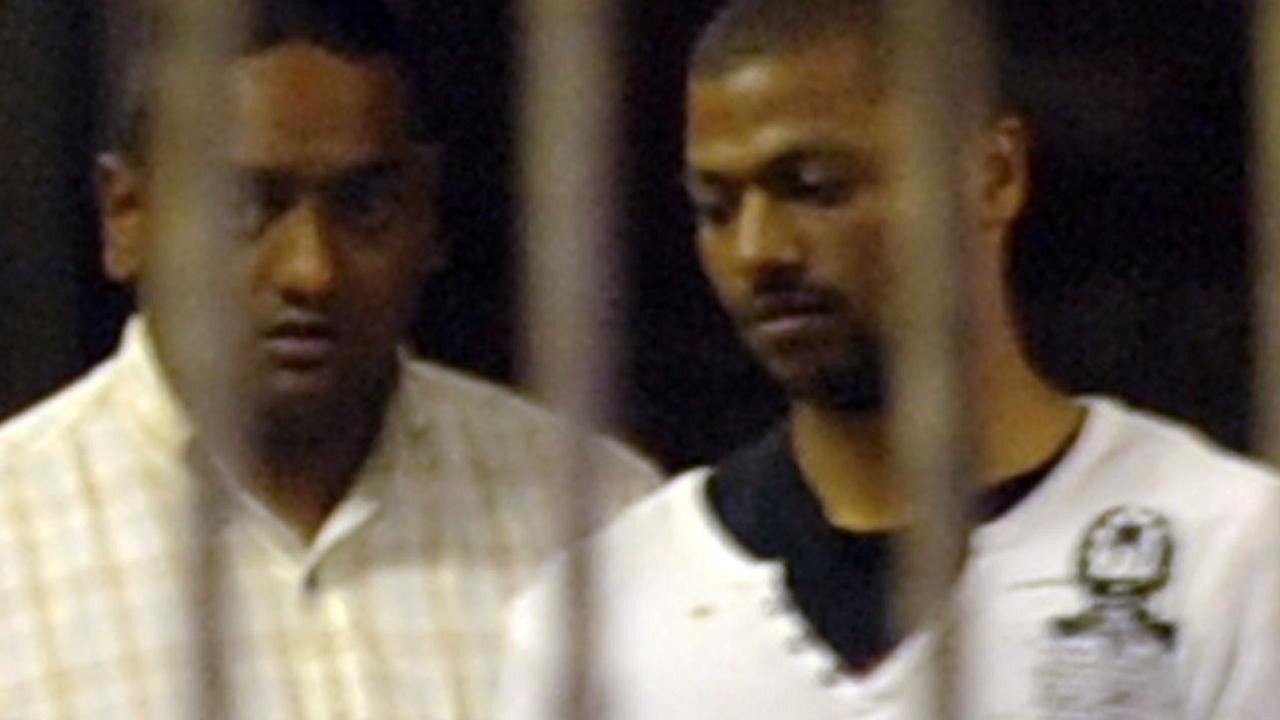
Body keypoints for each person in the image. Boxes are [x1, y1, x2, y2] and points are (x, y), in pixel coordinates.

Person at [496, 0, 1280, 717]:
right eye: (716, 207)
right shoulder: (602, 615)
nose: (759, 250)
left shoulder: (1231, 558)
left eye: (816, 187)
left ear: (993, 172)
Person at [0, 0, 659, 716]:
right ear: (126, 215)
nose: (312, 270)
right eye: (245, 207)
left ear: (428, 216)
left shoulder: (600, 522)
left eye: (366, 205)